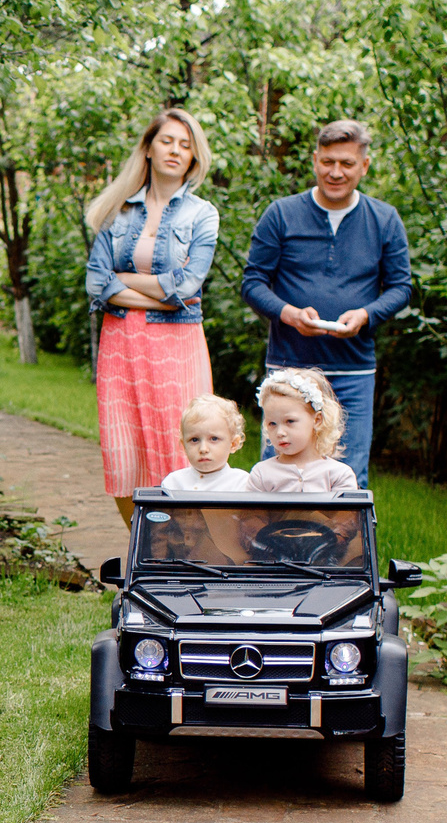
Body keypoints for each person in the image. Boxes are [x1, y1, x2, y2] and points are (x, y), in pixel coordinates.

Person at [238, 120, 412, 487]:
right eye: (328, 162)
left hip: (353, 372)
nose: (336, 172)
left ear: (364, 166)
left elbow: (401, 288)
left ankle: (340, 547)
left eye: (347, 164)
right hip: (289, 369)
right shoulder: (281, 214)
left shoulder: (384, 219)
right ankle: (274, 545)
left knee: (349, 479)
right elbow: (253, 283)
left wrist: (367, 314)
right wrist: (288, 314)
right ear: (315, 160)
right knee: (278, 474)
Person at [84, 109, 221, 521]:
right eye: (167, 141)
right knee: (124, 457)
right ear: (148, 148)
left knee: (181, 449)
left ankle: (184, 558)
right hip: (121, 344)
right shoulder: (117, 211)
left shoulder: (202, 214)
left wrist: (124, 281)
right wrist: (162, 294)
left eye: (185, 144)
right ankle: (142, 556)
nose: (176, 151)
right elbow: (96, 283)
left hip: (177, 346)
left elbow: (187, 287)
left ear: (194, 157)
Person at [246, 367, 359, 494]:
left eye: (290, 421)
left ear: (317, 420)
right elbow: (251, 514)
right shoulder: (262, 474)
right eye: (272, 423)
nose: (280, 432)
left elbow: (345, 513)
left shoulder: (338, 475)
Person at [160, 396, 252, 495]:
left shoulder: (241, 484)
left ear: (233, 444)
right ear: (184, 445)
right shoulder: (173, 484)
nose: (203, 449)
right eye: (194, 440)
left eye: (214, 439)